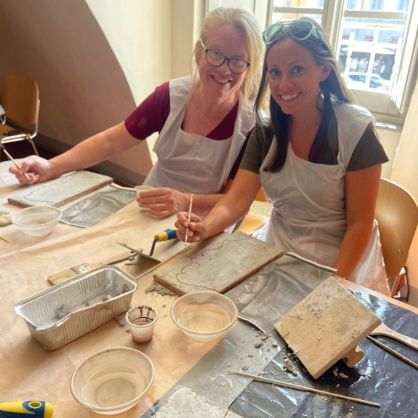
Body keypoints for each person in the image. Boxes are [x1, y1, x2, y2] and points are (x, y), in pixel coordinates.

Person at [176, 17, 390, 294]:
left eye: (297, 70)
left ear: (324, 69)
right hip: (280, 249)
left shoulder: (356, 130)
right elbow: (237, 199)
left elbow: (360, 224)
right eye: (275, 72)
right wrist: (206, 226)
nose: (283, 84)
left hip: (343, 262)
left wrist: (334, 284)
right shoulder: (266, 131)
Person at [9, 7, 263, 218]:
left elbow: (234, 200)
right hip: (150, 204)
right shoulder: (169, 97)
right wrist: (51, 166)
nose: (225, 69)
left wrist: (184, 201)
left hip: (208, 219)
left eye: (238, 60)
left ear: (249, 67)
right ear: (199, 52)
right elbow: (112, 141)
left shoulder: (251, 127)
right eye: (216, 53)